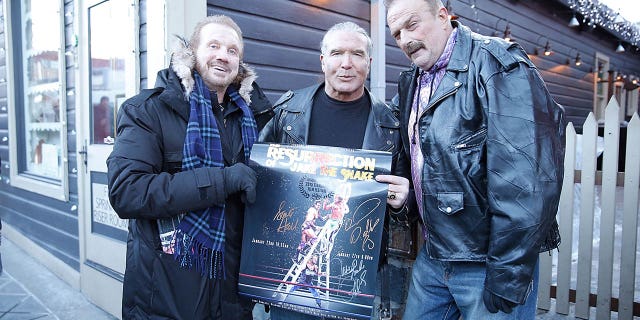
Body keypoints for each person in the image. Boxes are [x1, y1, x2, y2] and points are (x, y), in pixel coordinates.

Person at [384, 0, 566, 319]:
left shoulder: (498, 63)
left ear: (443, 17)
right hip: (434, 254)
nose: (405, 39)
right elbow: (426, 163)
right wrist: (409, 198)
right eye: (396, 33)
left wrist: (506, 276)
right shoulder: (410, 81)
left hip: (488, 261)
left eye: (411, 25)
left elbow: (527, 182)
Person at [107, 15, 273, 320]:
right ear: (192, 53)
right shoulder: (147, 111)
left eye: (233, 50)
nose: (223, 55)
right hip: (168, 294)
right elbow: (126, 191)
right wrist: (220, 182)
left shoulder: (257, 118)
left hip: (235, 295)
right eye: (214, 45)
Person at [259, 21, 413, 320]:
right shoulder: (289, 110)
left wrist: (403, 200)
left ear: (369, 62)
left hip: (360, 274)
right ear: (323, 60)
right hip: (293, 264)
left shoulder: (391, 124)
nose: (346, 64)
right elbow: (259, 179)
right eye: (337, 53)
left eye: (356, 54)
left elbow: (407, 199)